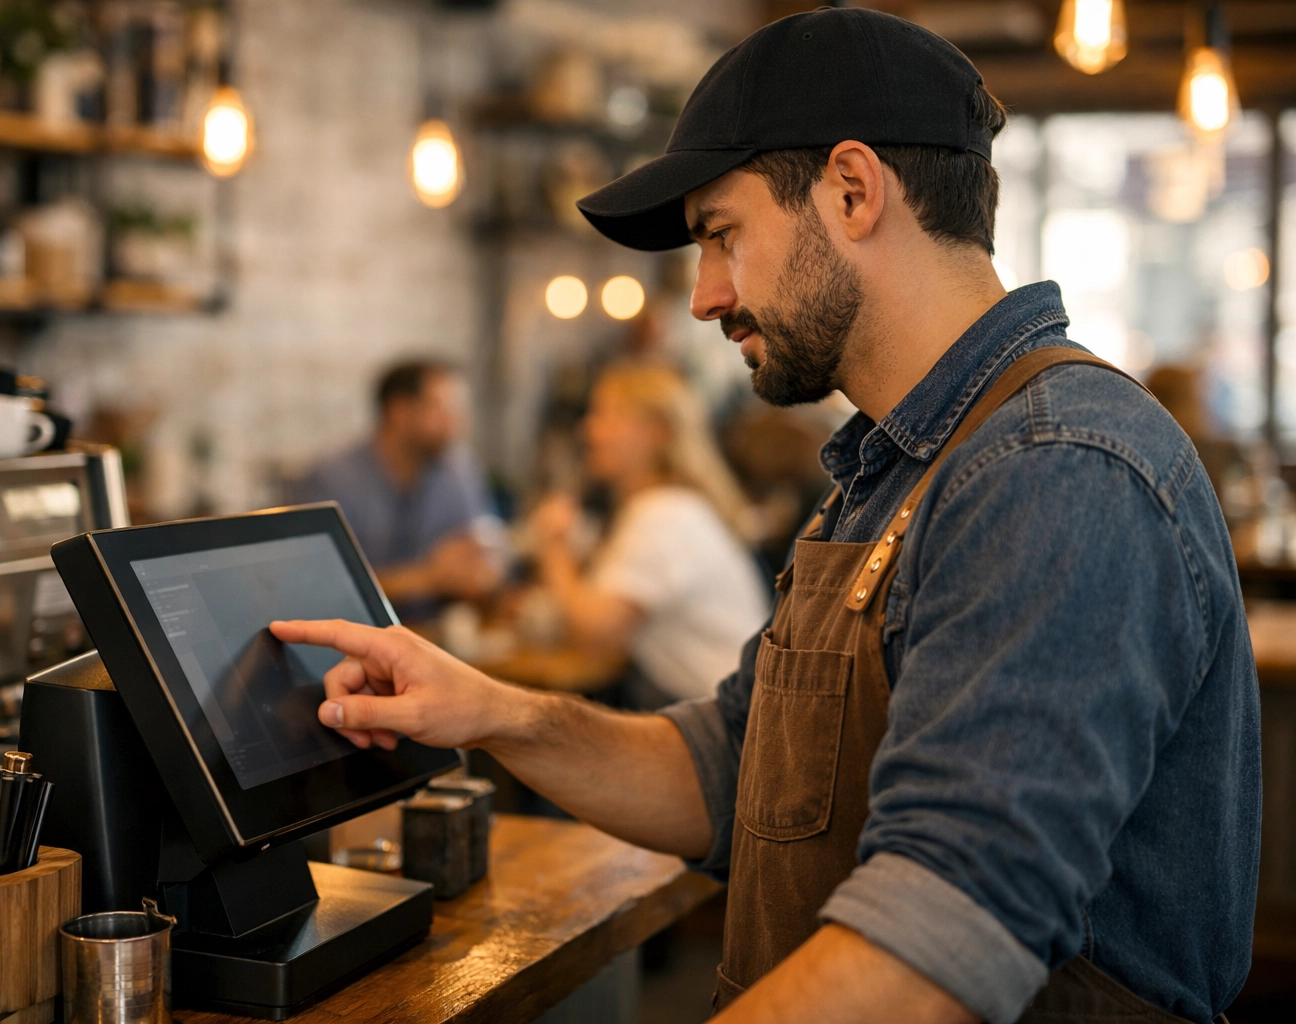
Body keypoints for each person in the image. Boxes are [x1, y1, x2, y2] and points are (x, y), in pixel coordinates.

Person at [273, 10, 1258, 1024]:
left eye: (720, 235)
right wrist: (494, 712)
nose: (703, 297)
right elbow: (728, 769)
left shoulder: (1052, 469)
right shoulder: (888, 472)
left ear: (852, 189)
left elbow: (940, 944)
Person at [528, 362, 768, 704]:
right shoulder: (669, 507)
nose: (588, 429)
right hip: (724, 708)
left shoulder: (666, 515)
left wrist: (553, 545)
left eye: (605, 415)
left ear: (656, 431)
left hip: (732, 727)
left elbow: (596, 635)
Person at [287, 360, 501, 619]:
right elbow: (313, 587)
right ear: (399, 411)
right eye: (442, 411)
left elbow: (491, 551)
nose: (456, 424)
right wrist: (427, 577)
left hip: (435, 639)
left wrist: (483, 569)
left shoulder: (456, 470)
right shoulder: (332, 480)